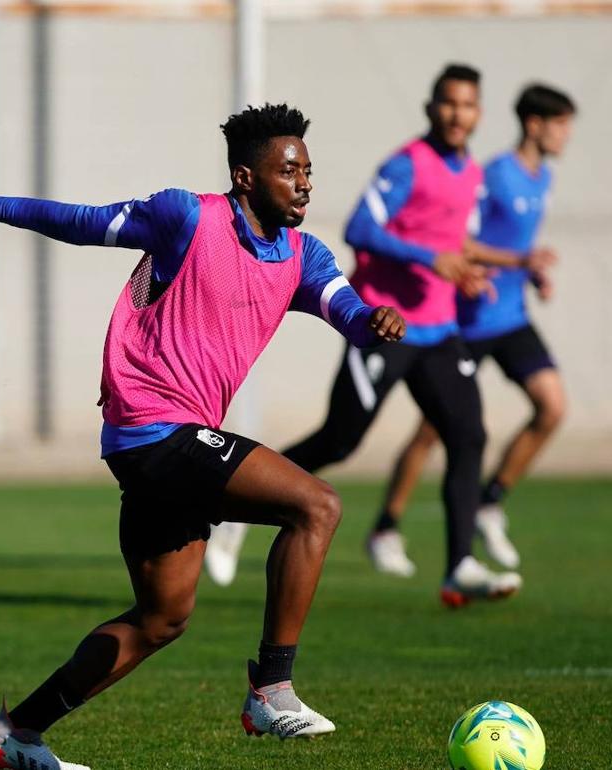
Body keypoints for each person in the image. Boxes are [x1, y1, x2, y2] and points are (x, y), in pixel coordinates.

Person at [0, 104, 405, 769]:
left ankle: (17, 733)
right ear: (246, 178)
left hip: (165, 446)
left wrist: (373, 321)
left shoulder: (303, 256)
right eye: (289, 171)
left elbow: (345, 310)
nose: (305, 183)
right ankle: (272, 688)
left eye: (309, 171)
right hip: (154, 430)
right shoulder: (187, 217)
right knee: (317, 505)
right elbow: (80, 222)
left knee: (162, 618)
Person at [205, 64, 521, 608]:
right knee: (340, 440)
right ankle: (235, 512)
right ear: (431, 108)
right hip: (385, 327)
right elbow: (360, 229)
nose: (456, 114)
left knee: (468, 435)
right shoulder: (406, 165)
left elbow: (451, 244)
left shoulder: (472, 174)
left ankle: (460, 564)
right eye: (447, 102)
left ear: (479, 114)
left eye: (467, 105)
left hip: (440, 330)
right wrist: (431, 258)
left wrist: (470, 270)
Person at [375, 83, 577, 574]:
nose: (567, 136)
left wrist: (532, 273)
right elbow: (459, 240)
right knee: (435, 431)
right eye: (560, 124)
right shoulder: (493, 177)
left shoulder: (543, 177)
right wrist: (507, 262)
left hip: (510, 318)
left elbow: (516, 246)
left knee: (551, 407)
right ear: (534, 123)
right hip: (466, 319)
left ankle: (490, 500)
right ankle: (386, 526)